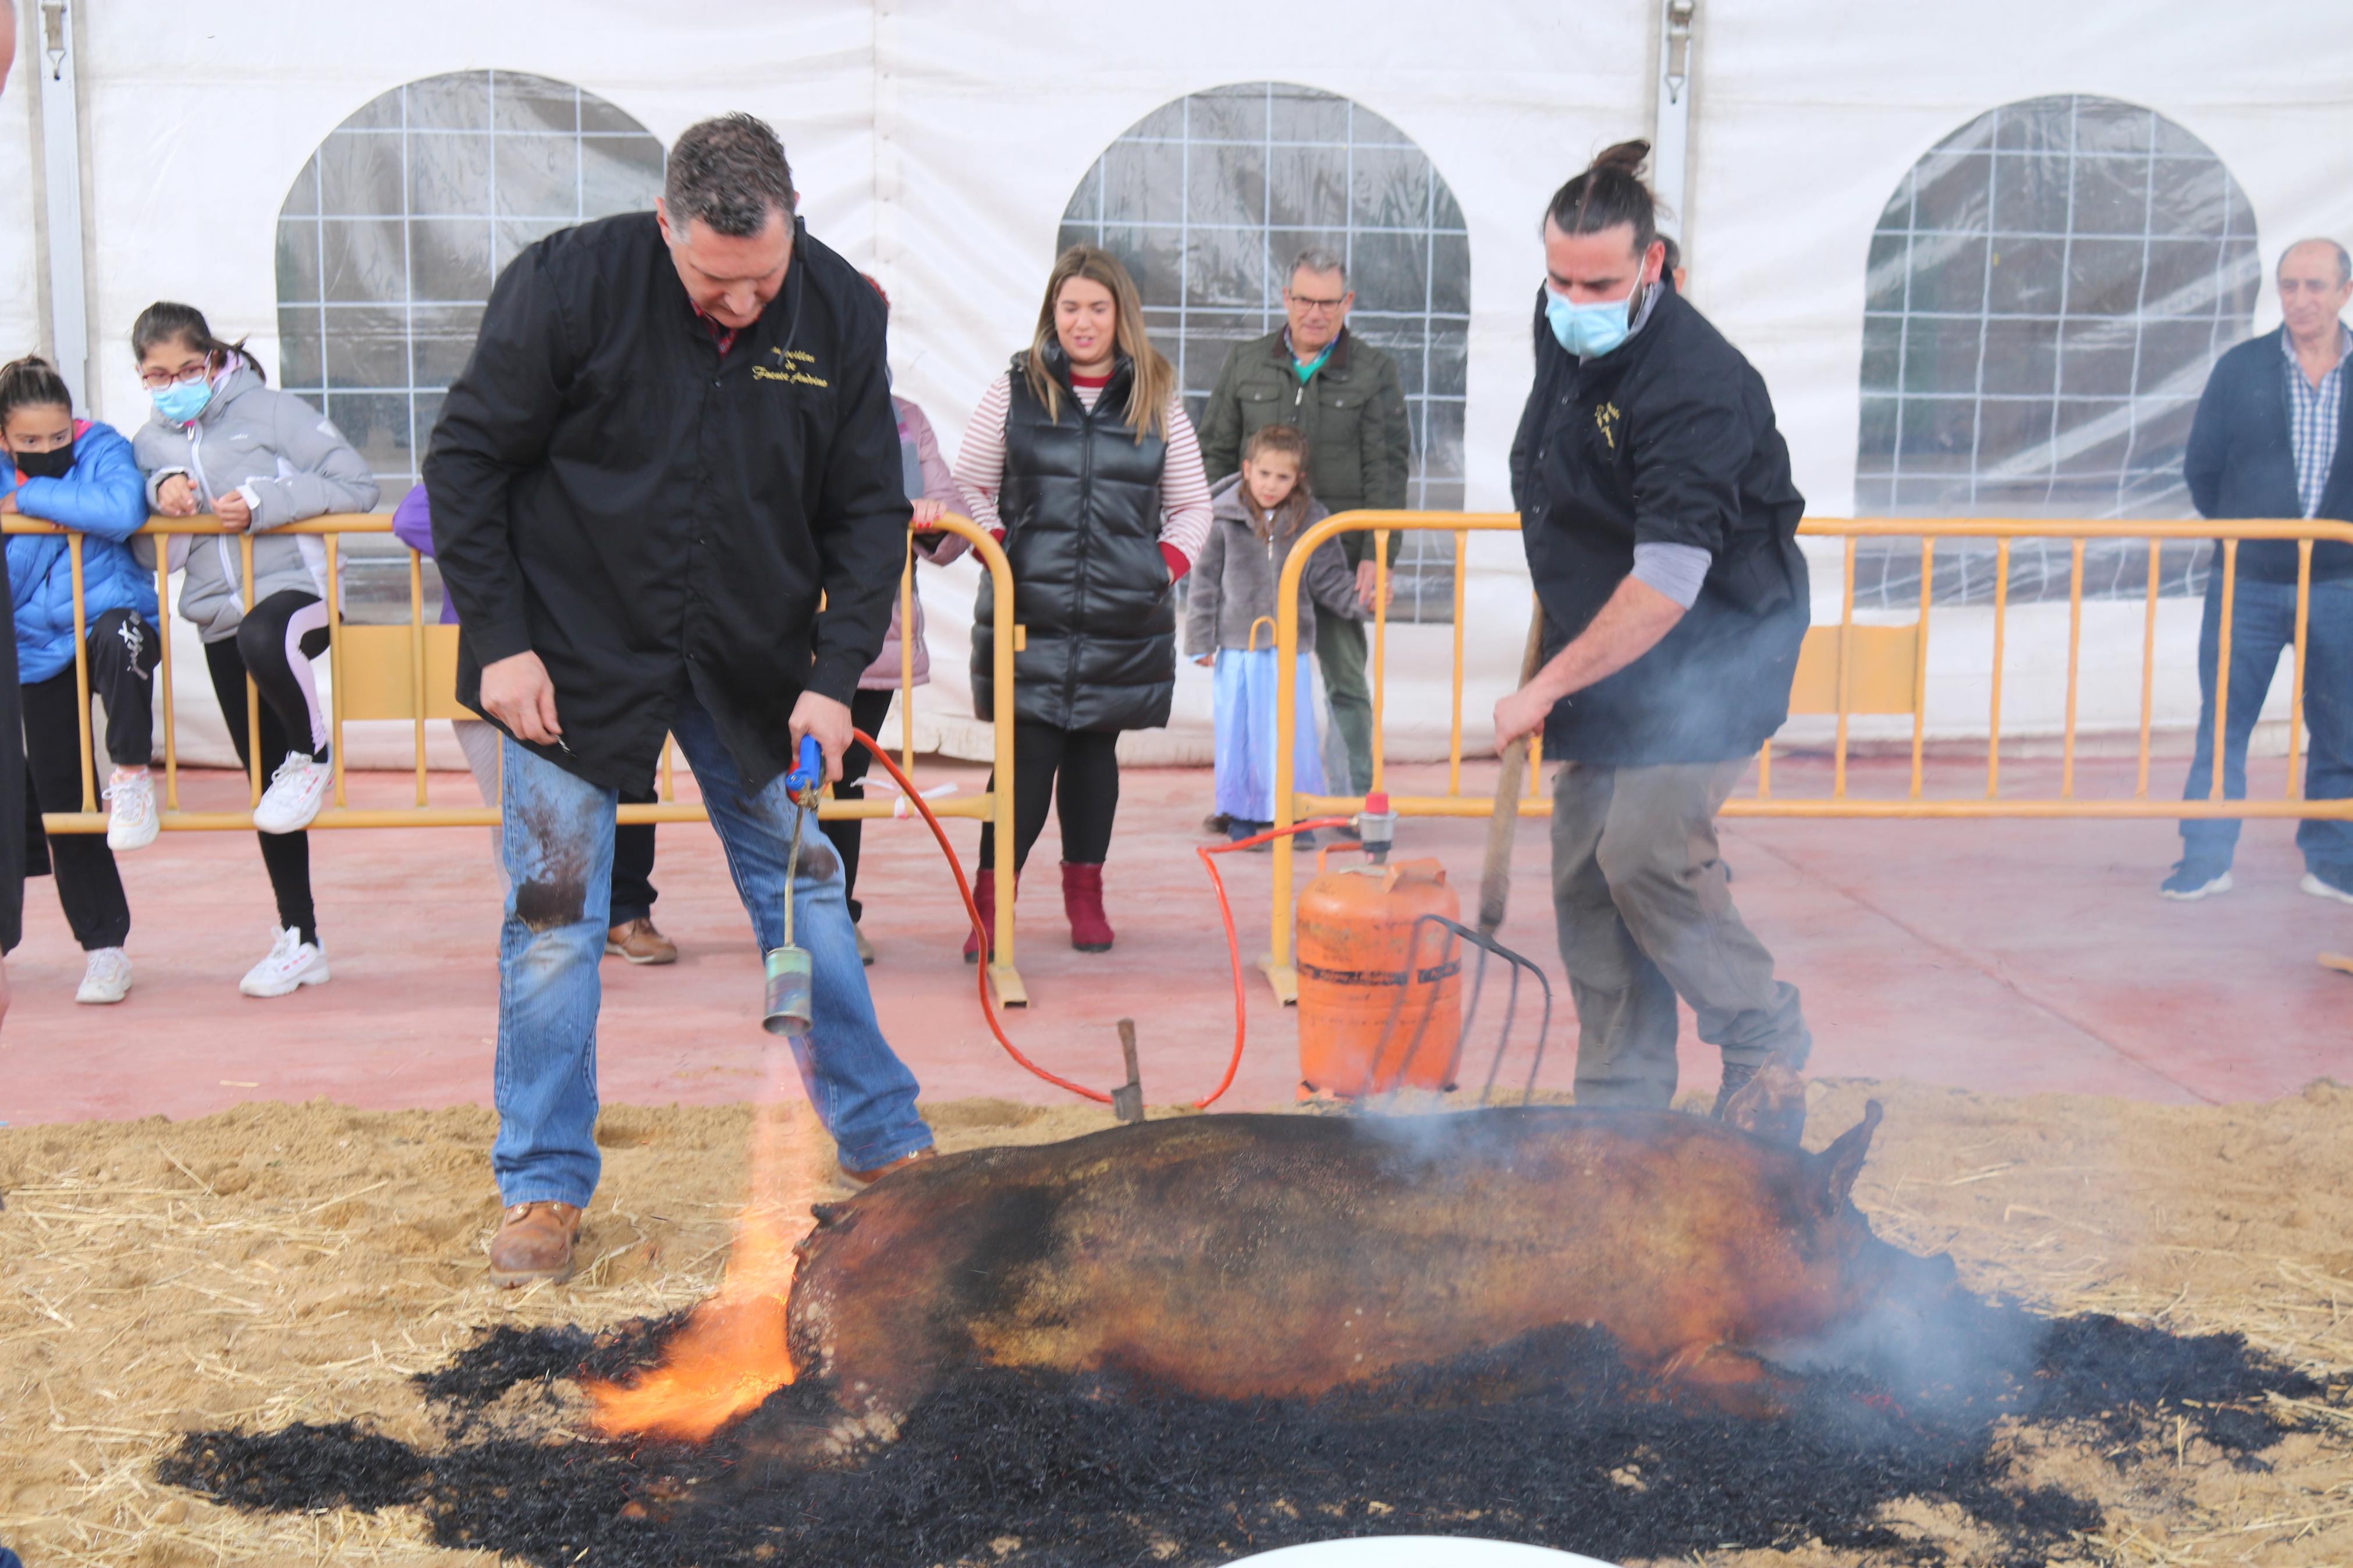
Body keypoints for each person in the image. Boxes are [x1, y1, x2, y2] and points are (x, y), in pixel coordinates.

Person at [425, 112, 934, 1286]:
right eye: (714, 281)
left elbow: (868, 512)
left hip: (750, 664)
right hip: (568, 658)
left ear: (791, 228)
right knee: (554, 922)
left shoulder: (841, 312)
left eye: (762, 279)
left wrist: (830, 678)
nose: (744, 306)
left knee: (808, 899)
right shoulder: (566, 285)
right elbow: (465, 462)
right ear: (665, 226)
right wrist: (499, 643)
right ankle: (544, 1183)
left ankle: (881, 1139)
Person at [1493, 141, 1812, 1143]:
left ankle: (1762, 1037)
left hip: (1715, 646)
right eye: (1557, 277)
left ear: (1653, 265)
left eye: (1598, 281)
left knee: (1643, 852)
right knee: (1585, 875)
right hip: (1605, 636)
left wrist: (1542, 685)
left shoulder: (1697, 384)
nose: (1572, 297)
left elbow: (1672, 581)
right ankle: (1619, 1117)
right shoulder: (1567, 332)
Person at [953, 244, 1213, 958]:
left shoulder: (1158, 396)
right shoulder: (1014, 389)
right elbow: (968, 485)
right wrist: (1001, 550)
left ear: (1119, 314)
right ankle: (990, 902)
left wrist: (1154, 570)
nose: (1082, 321)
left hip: (1119, 619)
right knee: (1027, 757)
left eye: (1097, 308)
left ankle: (1085, 897)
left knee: (1094, 755)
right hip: (1027, 615)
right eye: (1069, 307)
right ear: (1052, 312)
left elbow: (1191, 506)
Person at [132, 301, 379, 997]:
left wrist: (263, 499)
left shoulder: (270, 411)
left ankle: (315, 754)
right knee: (267, 790)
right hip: (219, 618)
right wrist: (161, 496)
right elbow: (137, 538)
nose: (173, 382)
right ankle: (300, 939)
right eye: (156, 375)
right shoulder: (149, 443)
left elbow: (357, 484)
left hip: (296, 598)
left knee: (266, 638)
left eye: (186, 367)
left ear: (212, 358)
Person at [389, 483, 677, 964]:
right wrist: (528, 549)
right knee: (511, 808)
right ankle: (534, 928)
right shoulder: (482, 455)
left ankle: (623, 913)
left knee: (624, 782)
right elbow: (411, 516)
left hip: (592, 651)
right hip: (488, 664)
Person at [2166, 237, 2353, 904]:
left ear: (2343, 292)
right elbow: (2201, 468)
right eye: (2288, 286)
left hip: (2340, 583)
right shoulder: (2240, 368)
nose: (2299, 300)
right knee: (2223, 723)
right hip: (2245, 583)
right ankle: (2204, 860)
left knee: (2341, 725)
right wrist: (2245, 538)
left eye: (2313, 286)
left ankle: (2332, 862)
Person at [1199, 248, 1411, 802]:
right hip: (1255, 563)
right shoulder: (1245, 363)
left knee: (1344, 682)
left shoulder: (1374, 372)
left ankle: (1352, 801)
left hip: (1334, 558)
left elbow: (1386, 469)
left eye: (1328, 303)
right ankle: (1251, 800)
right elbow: (1215, 456)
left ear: (1347, 303)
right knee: (1252, 686)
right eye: (1304, 300)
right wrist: (1217, 543)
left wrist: (1377, 555)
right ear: (1286, 298)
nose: (1315, 314)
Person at [819, 278, 977, 965]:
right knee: (784, 783)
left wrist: (930, 522)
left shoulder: (903, 419)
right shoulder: (773, 400)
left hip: (869, 640)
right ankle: (788, 917)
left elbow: (950, 525)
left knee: (841, 778)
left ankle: (834, 913)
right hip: (779, 633)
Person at [1, 355, 159, 1004]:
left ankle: (131, 773)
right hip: (37, 649)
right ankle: (104, 948)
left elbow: (121, 508)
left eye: (58, 437)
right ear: (4, 437)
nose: (48, 450)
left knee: (123, 640)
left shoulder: (106, 446)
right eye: (30, 443)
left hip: (110, 619)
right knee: (63, 797)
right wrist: (72, 515)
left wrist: (29, 501)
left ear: (76, 424)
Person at [1186, 424, 1361, 845]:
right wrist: (1199, 642)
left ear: (1297, 479)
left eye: (1282, 477)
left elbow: (1327, 578)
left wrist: (1363, 601)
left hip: (1288, 647)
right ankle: (1241, 812)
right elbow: (1204, 583)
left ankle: (1295, 813)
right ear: (1247, 469)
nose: (1270, 485)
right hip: (1236, 645)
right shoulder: (1221, 516)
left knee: (1293, 732)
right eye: (1264, 473)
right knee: (1239, 730)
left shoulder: (1310, 519)